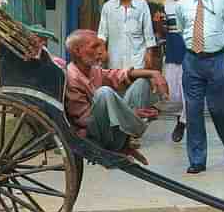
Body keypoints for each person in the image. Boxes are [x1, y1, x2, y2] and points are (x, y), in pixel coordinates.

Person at [64, 29, 169, 165]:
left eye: (99, 46)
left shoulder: (93, 70)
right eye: (94, 47)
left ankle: (128, 138)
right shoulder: (72, 77)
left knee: (141, 82)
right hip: (98, 137)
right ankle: (137, 127)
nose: (100, 51)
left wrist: (153, 73)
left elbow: (118, 75)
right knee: (104, 93)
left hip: (115, 131)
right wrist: (129, 113)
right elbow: (85, 121)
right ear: (77, 51)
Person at [175, 0, 224, 174]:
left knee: (222, 110)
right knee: (193, 112)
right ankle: (197, 160)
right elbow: (182, 28)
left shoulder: (223, 1)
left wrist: (217, 48)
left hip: (217, 61)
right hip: (192, 61)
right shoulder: (182, 4)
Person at [98, 0, 156, 70]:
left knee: (138, 85)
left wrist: (149, 54)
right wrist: (102, 51)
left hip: (137, 62)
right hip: (115, 62)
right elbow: (102, 34)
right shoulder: (108, 7)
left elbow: (148, 32)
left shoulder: (141, 5)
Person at [161, 0, 190, 143]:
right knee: (173, 94)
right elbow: (166, 30)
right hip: (172, 52)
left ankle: (183, 123)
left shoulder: (194, 1)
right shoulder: (168, 3)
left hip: (191, 53)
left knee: (190, 93)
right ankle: (181, 116)